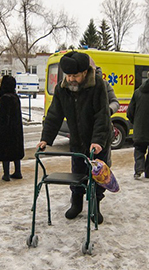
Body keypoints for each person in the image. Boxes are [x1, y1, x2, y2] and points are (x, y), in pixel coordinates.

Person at [37, 51, 113, 224]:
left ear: (85, 72)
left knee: (97, 175)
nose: (71, 79)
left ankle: (95, 206)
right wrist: (46, 138)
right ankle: (77, 204)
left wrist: (98, 141)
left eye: (75, 75)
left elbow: (103, 115)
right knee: (77, 172)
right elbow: (54, 114)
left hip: (98, 140)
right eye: (68, 75)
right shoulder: (62, 89)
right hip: (78, 140)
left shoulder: (98, 85)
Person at [0, 75, 24, 181]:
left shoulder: (4, 98)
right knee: (15, 150)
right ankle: (17, 171)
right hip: (16, 130)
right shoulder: (15, 97)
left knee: (5, 150)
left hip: (6, 130)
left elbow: (2, 118)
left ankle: (6, 174)